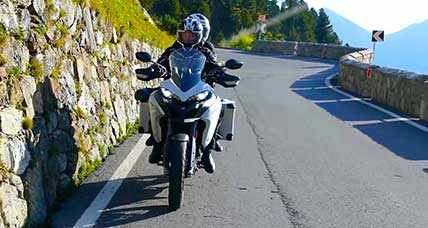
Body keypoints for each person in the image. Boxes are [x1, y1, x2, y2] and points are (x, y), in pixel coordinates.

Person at [143, 14, 222, 174]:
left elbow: (215, 65)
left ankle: (208, 149)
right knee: (153, 98)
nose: (187, 37)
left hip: (199, 90)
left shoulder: (206, 50)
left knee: (219, 105)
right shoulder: (174, 48)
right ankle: (157, 142)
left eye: (191, 34)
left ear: (200, 35)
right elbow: (162, 61)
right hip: (174, 88)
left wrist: (220, 73)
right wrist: (154, 69)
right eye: (184, 34)